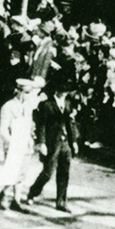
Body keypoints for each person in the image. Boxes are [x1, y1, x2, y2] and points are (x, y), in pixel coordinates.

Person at [26, 83, 80, 212]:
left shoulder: (67, 103)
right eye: (61, 91)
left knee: (64, 173)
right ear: (56, 90)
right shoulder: (46, 104)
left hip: (65, 143)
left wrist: (74, 142)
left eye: (66, 91)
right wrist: (42, 143)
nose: (63, 93)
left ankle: (61, 202)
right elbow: (42, 126)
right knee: (48, 173)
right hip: (52, 143)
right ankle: (33, 192)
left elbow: (70, 124)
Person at [0, 77, 43, 213]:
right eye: (26, 93)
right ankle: (4, 195)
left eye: (30, 93)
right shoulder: (8, 107)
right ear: (18, 91)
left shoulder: (28, 107)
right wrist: (11, 144)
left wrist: (30, 140)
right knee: (12, 172)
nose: (28, 96)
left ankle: (16, 201)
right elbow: (3, 129)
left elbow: (28, 125)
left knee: (22, 174)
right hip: (12, 144)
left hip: (24, 143)